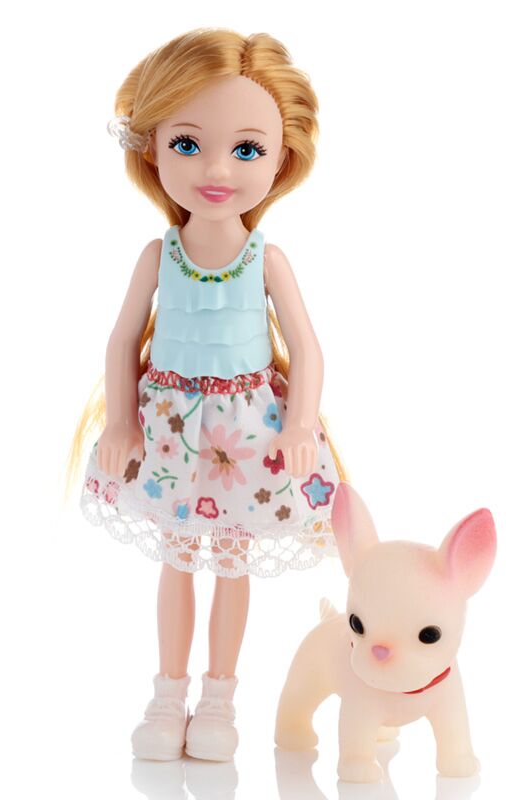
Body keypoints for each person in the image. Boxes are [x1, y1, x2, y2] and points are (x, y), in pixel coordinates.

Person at [67, 27, 346, 763]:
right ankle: (168, 695)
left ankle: (219, 698)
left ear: (281, 158)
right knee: (177, 558)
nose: (217, 169)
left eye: (247, 149)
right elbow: (122, 341)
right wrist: (120, 423)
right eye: (187, 144)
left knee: (231, 560)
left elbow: (309, 348)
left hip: (246, 433)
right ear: (151, 149)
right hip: (168, 427)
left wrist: (301, 424)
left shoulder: (266, 259)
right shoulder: (158, 255)